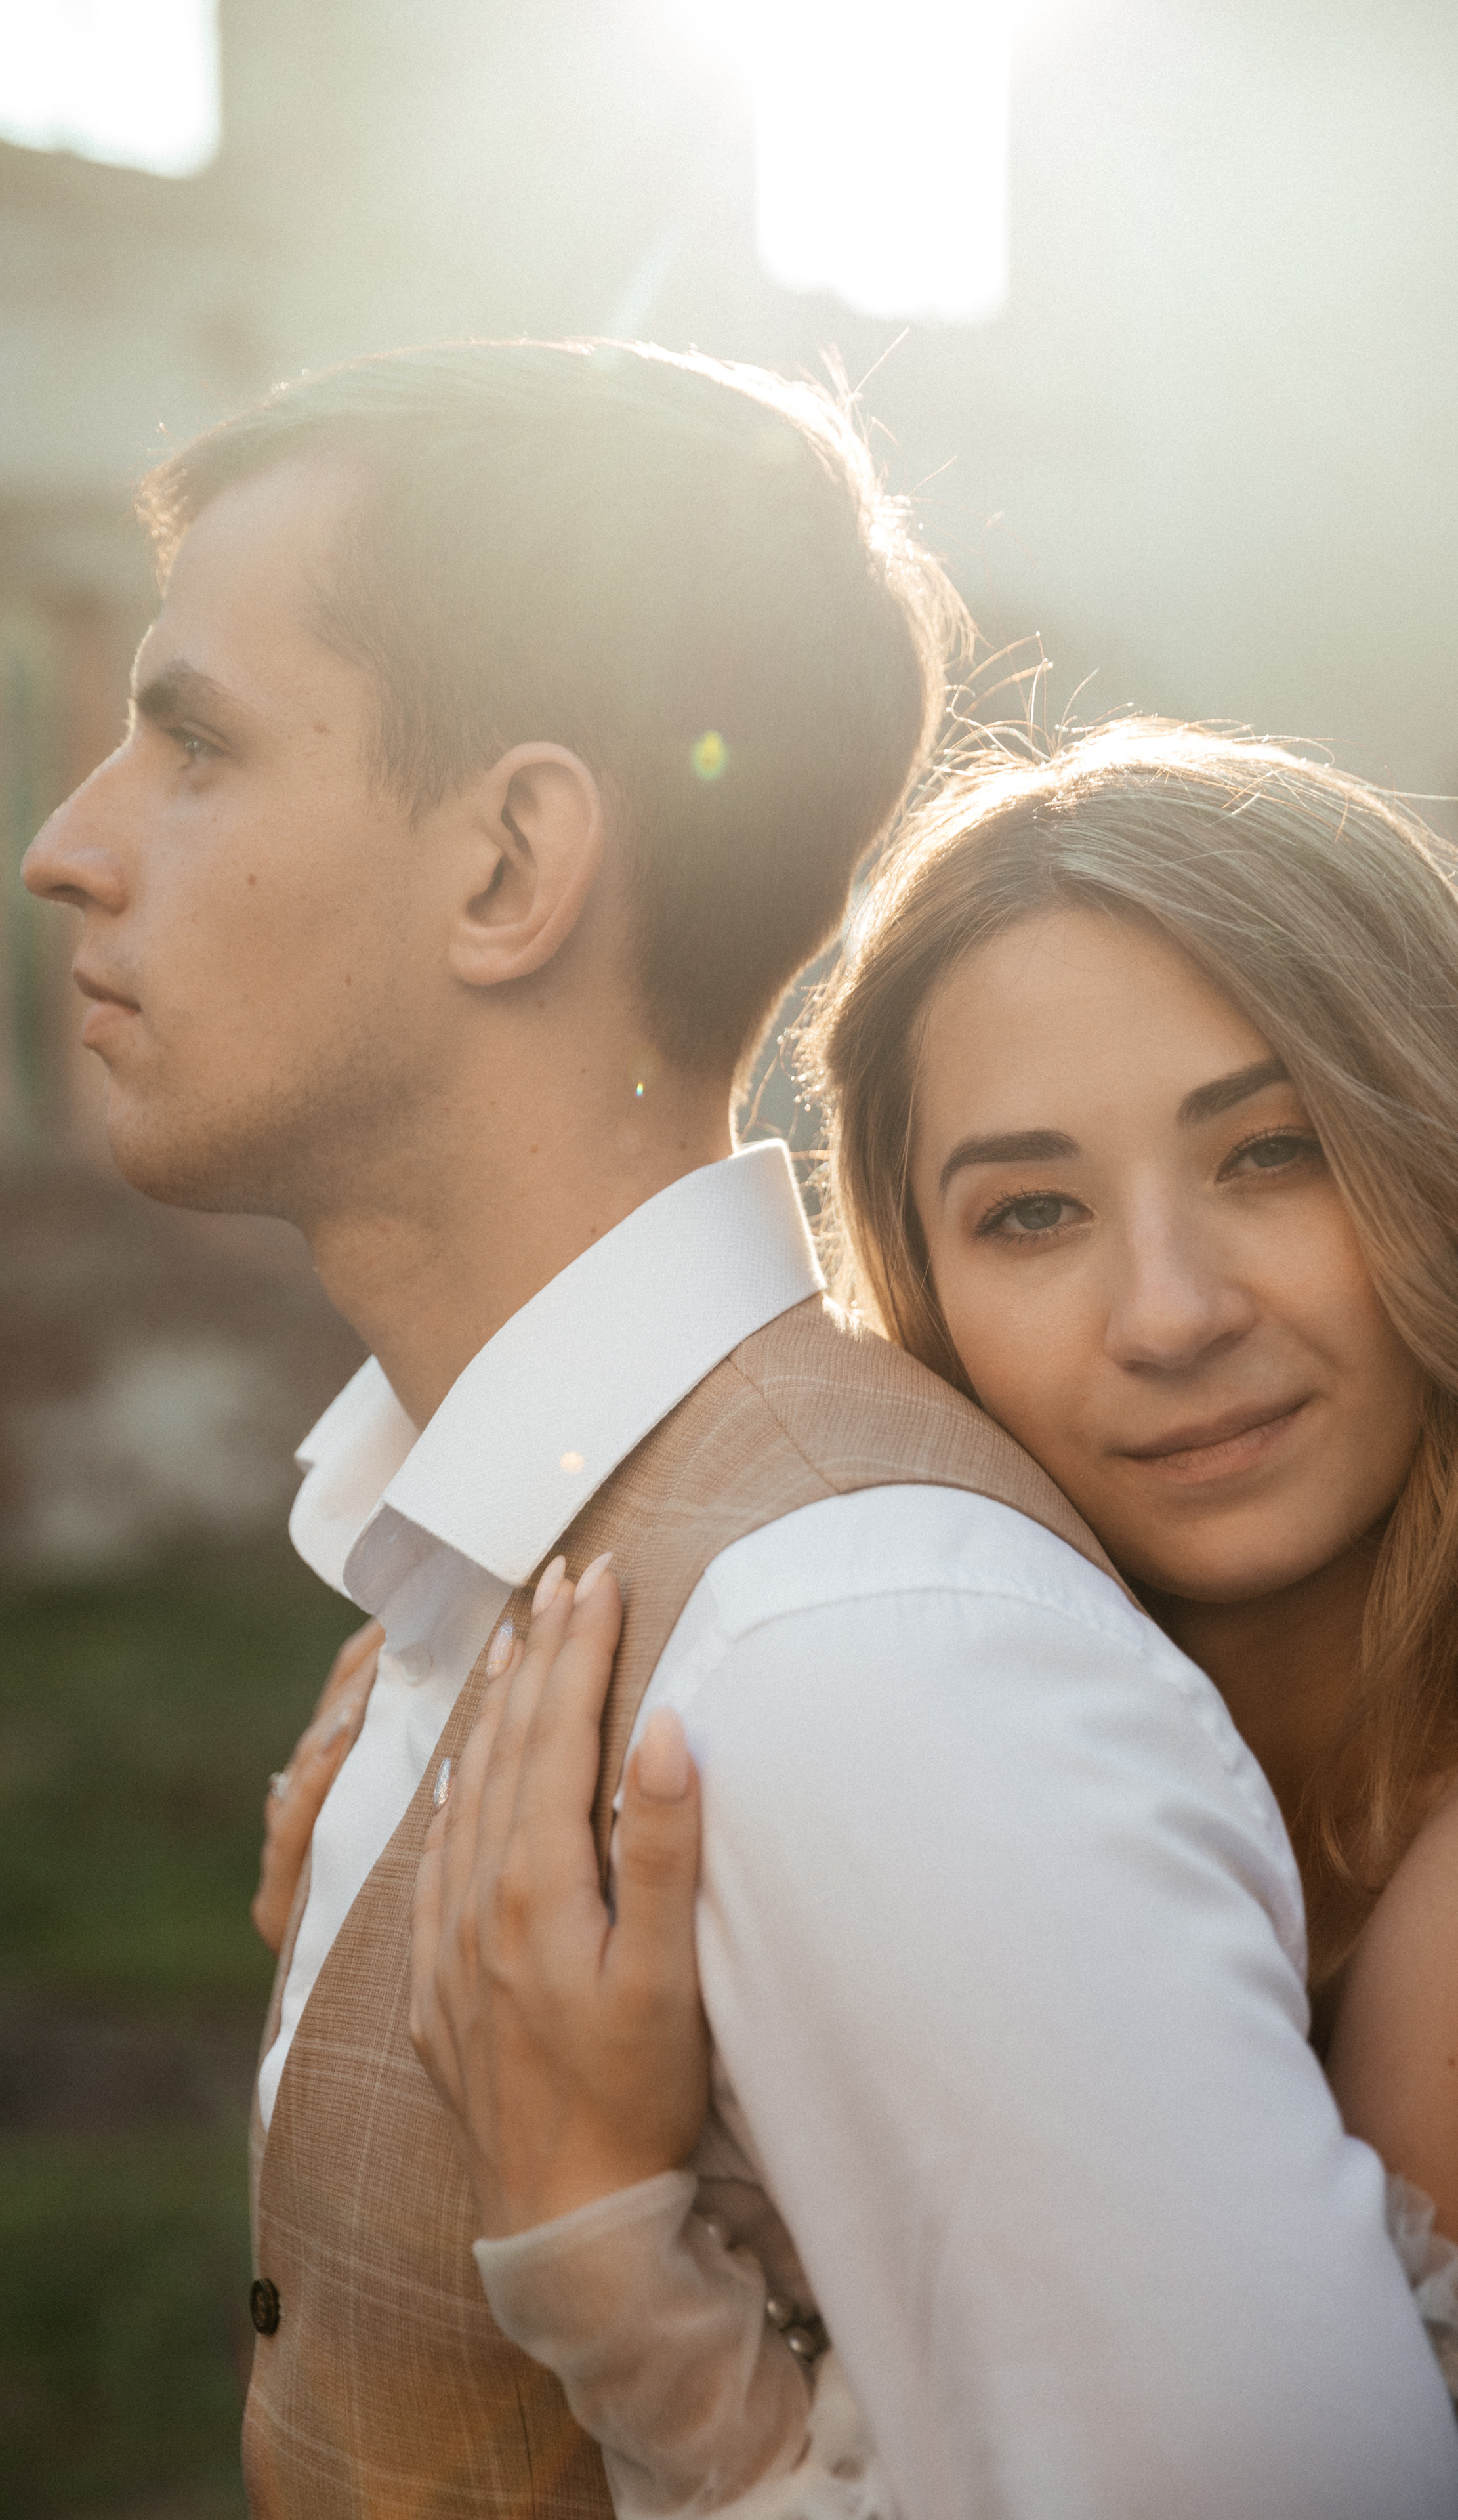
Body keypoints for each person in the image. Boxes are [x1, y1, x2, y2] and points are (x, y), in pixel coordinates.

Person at [20, 328, 1455, 2520]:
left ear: (511, 867)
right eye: (1033, 1208)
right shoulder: (604, 1590)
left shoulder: (870, 1652)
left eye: (192, 742)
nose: (66, 847)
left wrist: (620, 2283)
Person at [387, 723, 1458, 2513]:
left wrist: (610, 2270)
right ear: (921, 1279)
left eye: (1271, 1154)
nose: (1170, 1311)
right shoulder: (931, 1735)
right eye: (1031, 1212)